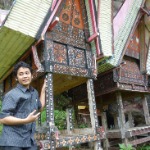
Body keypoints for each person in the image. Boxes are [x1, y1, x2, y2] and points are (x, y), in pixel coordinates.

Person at [0, 61, 46, 150]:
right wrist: (25, 120)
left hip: (29, 140)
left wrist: (43, 90)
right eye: (21, 74)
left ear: (32, 75)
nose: (24, 76)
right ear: (16, 78)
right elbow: (3, 119)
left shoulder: (34, 92)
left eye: (27, 73)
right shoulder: (12, 94)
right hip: (12, 141)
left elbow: (39, 108)